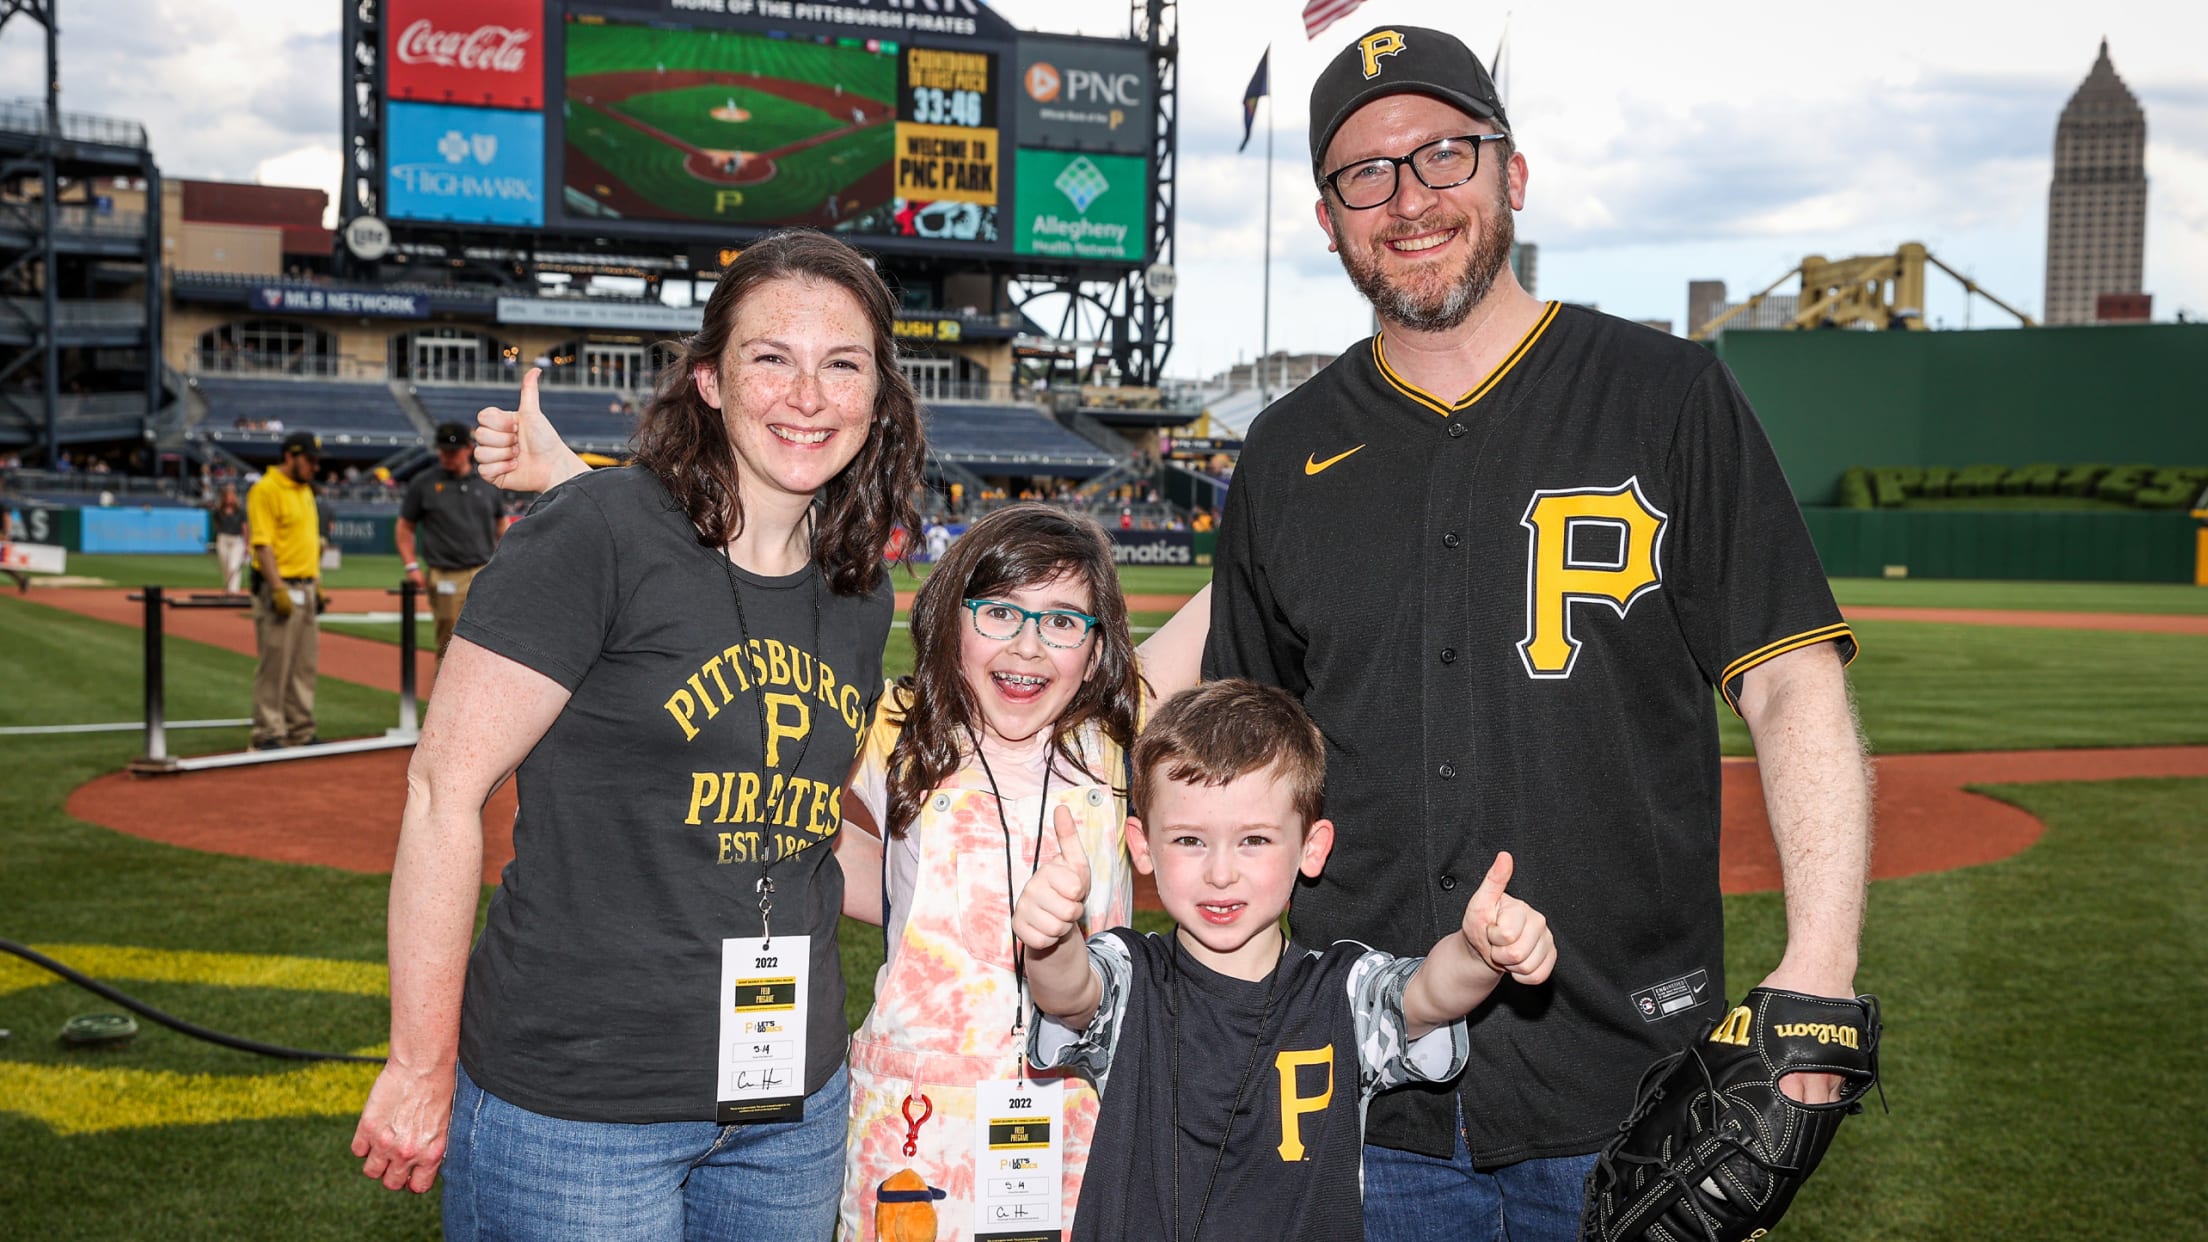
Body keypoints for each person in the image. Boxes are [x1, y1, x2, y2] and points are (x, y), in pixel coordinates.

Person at [1204, 27, 1873, 1240]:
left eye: (1444, 155)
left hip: (1634, 1082)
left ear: (1514, 172)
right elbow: (1247, 770)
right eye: (1368, 173)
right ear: (1327, 217)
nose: (1409, 200)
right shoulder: (1285, 452)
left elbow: (1793, 685)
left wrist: (1818, 976)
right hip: (1368, 1098)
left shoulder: (1667, 395)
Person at [350, 231, 928, 1240]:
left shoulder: (857, 590)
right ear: (708, 379)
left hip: (787, 1107)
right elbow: (444, 793)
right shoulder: (596, 531)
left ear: (878, 397)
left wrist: (987, 896)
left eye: (843, 364)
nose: (809, 394)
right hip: (579, 1109)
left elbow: (796, 819)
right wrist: (416, 1063)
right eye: (770, 358)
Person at [1015, 680, 1557, 1241]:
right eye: (1189, 841)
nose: (1220, 872)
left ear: (1312, 847)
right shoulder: (1132, 976)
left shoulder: (1343, 992)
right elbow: (1071, 994)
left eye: (1253, 840)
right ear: (1143, 844)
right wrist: (1051, 939)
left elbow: (1428, 993)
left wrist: (1478, 952)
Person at [828, 503, 1210, 1240]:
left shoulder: (1115, 737)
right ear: (950, 619)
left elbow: (1244, 569)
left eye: (1064, 622)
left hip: (1078, 1114)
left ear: (1098, 650)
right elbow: (801, 833)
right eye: (1000, 611)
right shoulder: (899, 733)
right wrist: (916, 905)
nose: (1029, 646)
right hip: (913, 1124)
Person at [395, 421, 505, 660]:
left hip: (483, 572)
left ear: (468, 448)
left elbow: (501, 524)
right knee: (450, 645)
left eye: (452, 451)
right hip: (446, 574)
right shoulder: (423, 483)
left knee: (488, 646)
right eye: (443, 450)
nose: (447, 456)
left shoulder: (487, 482)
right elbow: (404, 527)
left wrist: (503, 561)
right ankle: (444, 696)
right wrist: (411, 565)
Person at [246, 431, 325, 749]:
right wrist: (277, 588)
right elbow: (262, 544)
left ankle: (299, 728)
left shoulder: (305, 490)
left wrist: (317, 587)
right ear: (290, 456)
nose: (314, 467)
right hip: (279, 588)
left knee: (303, 664)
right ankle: (267, 730)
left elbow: (307, 545)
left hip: (305, 586)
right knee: (276, 663)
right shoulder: (266, 489)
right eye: (309, 460)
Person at [209, 483, 248, 594]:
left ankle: (233, 591)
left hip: (237, 540)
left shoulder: (240, 511)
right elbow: (217, 525)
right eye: (228, 496)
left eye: (232, 496)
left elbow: (245, 528)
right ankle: (228, 588)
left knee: (233, 566)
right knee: (225, 566)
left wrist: (247, 544)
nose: (230, 499)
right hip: (223, 539)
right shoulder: (219, 511)